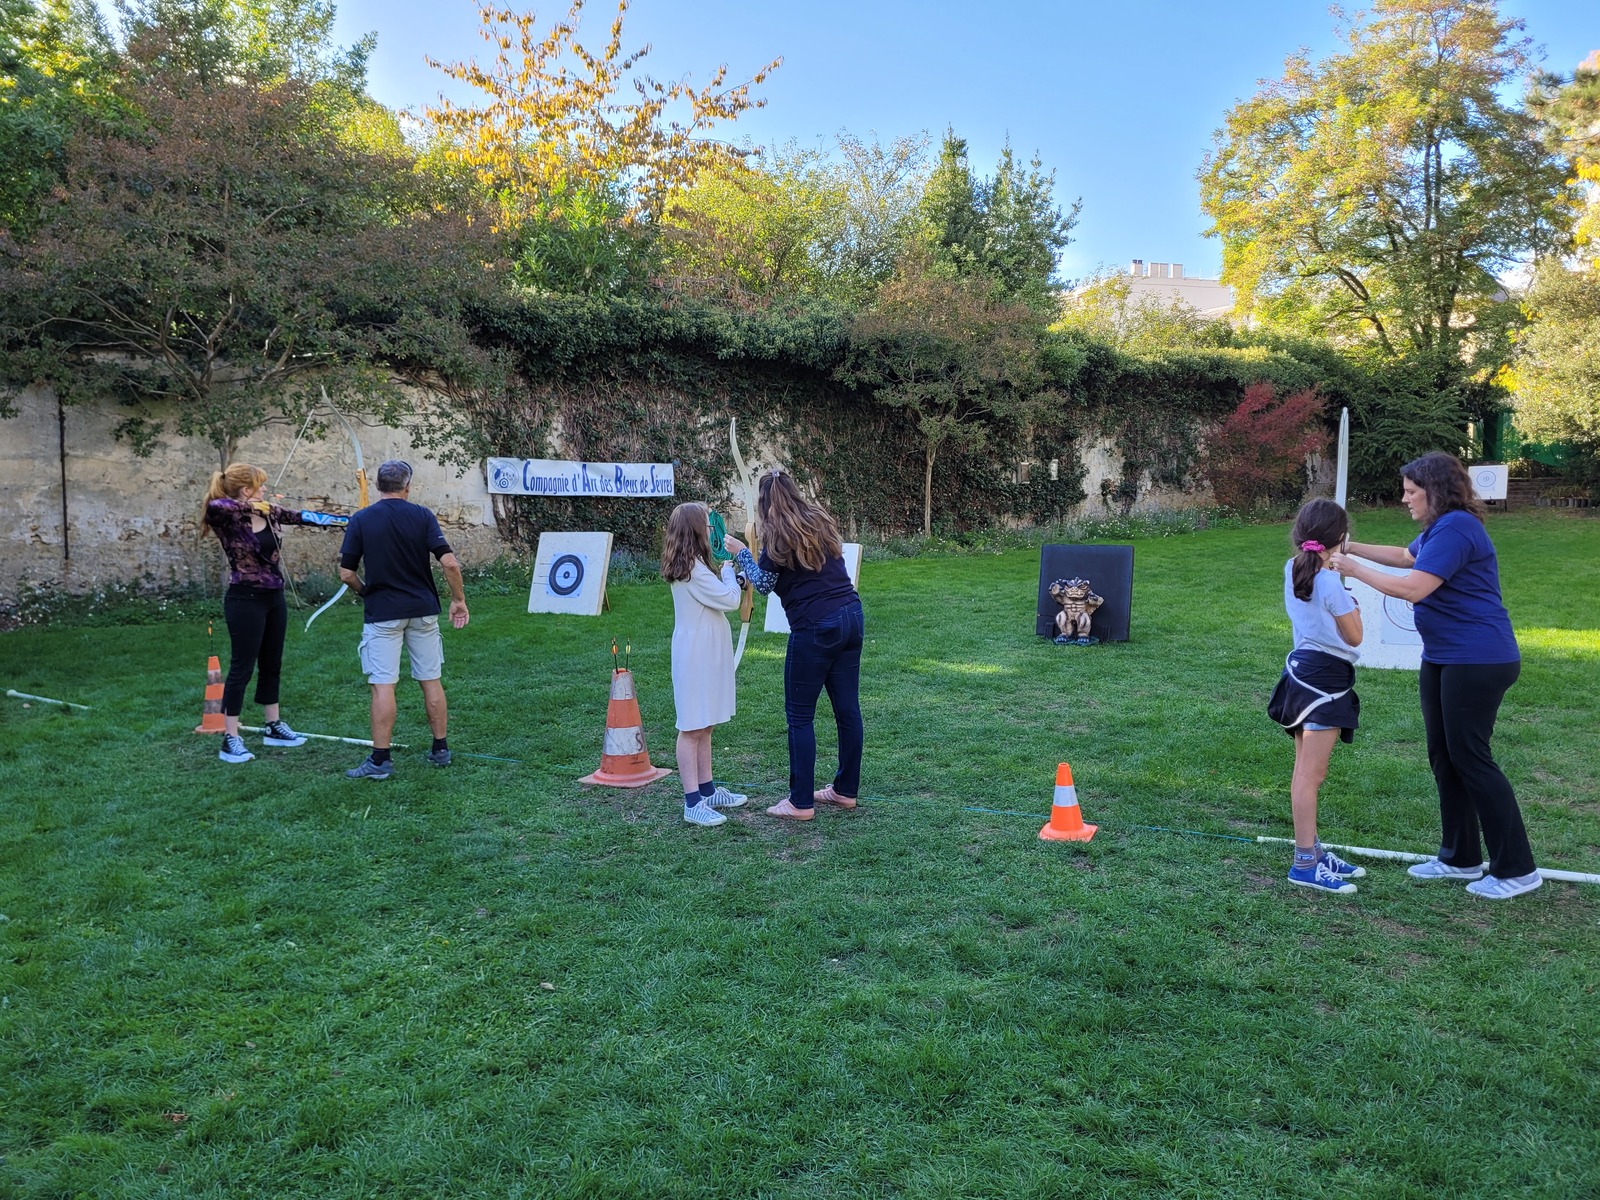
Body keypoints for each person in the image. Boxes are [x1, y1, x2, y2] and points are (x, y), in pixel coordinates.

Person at [1330, 451, 1540, 900]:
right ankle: (1459, 857)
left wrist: (1354, 570)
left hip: (1478, 659)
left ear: (1436, 491)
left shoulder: (1458, 527)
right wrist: (1348, 548)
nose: (1405, 499)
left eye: (1411, 492)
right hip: (1444, 657)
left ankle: (1518, 869)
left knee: (1471, 757)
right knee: (1445, 756)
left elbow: (1415, 587)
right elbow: (1406, 557)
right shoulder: (1439, 528)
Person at [733, 469, 863, 821]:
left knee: (800, 716)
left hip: (816, 626)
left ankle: (800, 803)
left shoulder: (777, 533)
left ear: (764, 502)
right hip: (851, 615)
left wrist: (742, 553)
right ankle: (845, 791)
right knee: (847, 709)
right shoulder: (818, 518)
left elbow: (763, 584)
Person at [336, 460, 469, 780]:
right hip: (422, 610)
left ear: (378, 486)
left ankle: (380, 760)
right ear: (407, 486)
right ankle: (440, 749)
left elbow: (346, 574)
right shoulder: (422, 515)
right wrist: (458, 600)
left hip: (383, 612)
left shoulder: (362, 519)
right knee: (430, 678)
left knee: (383, 685)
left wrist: (366, 592)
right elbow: (450, 563)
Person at [200, 462, 340, 764]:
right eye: (259, 485)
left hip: (274, 597)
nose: (265, 489)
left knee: (272, 663)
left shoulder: (269, 512)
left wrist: (349, 520)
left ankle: (272, 725)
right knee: (241, 667)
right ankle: (230, 738)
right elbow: (218, 506)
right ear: (246, 490)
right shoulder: (225, 514)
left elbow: (305, 517)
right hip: (244, 598)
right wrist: (252, 506)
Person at [1266, 499, 1366, 895]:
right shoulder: (1329, 582)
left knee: (1304, 773)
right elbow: (1355, 636)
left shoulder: (1292, 567)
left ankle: (1314, 851)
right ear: (1340, 538)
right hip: (1324, 682)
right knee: (1311, 776)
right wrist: (1353, 604)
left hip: (1301, 675)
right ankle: (1305, 863)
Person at [661, 502, 750, 826]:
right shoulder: (692, 570)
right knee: (692, 726)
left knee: (706, 723)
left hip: (706, 650)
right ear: (695, 530)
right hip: (696, 654)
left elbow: (722, 593)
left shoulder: (694, 565)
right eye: (707, 524)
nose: (712, 529)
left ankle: (708, 791)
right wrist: (728, 570)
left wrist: (733, 578)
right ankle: (692, 802)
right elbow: (729, 599)